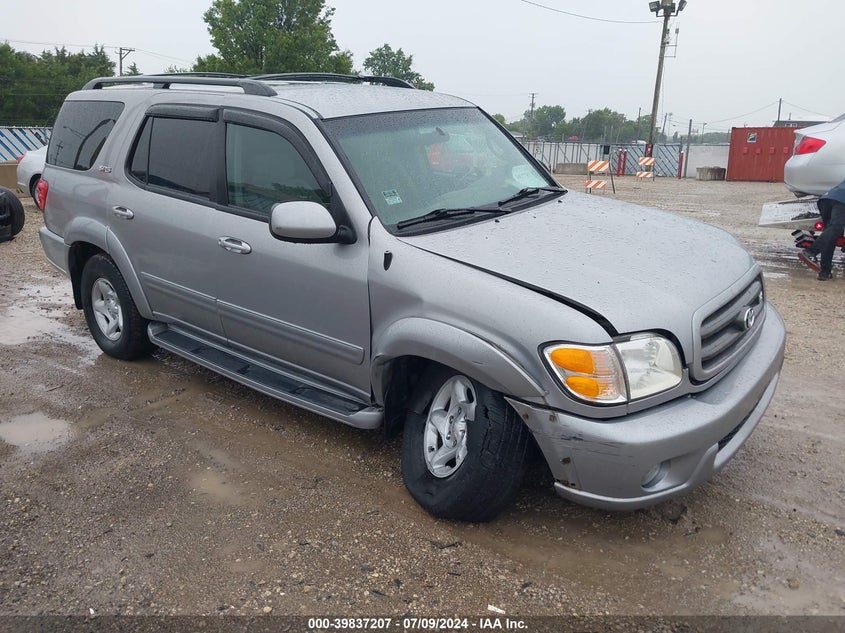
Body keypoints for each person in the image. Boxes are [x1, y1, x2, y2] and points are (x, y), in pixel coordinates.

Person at [798, 179, 845, 281]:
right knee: (835, 228)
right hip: (842, 201)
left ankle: (824, 272)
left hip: (826, 199)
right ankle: (810, 252)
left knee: (831, 234)